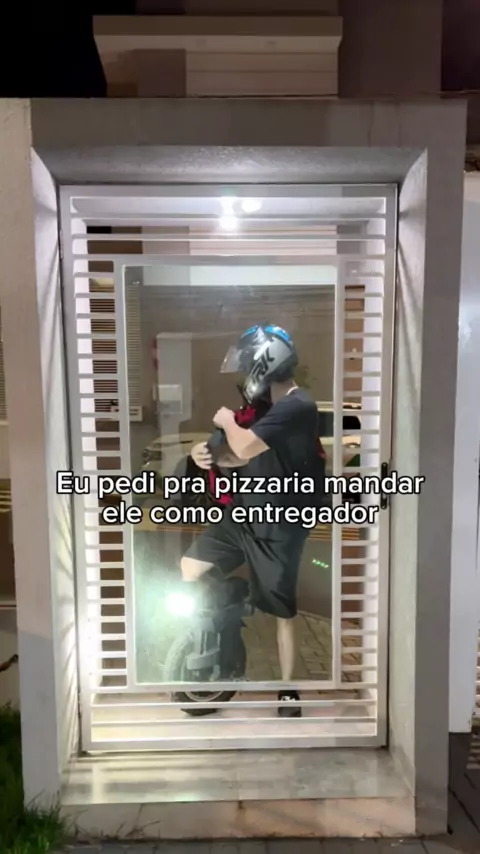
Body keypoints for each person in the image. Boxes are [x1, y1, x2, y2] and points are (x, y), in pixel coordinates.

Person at [180, 323, 321, 717]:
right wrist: (202, 454)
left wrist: (227, 421)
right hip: (244, 514)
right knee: (191, 567)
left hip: (279, 525)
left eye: (247, 367)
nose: (244, 377)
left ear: (266, 363)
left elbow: (243, 444)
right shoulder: (267, 410)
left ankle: (288, 690)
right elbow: (235, 455)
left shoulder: (298, 406)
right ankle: (235, 599)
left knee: (282, 612)